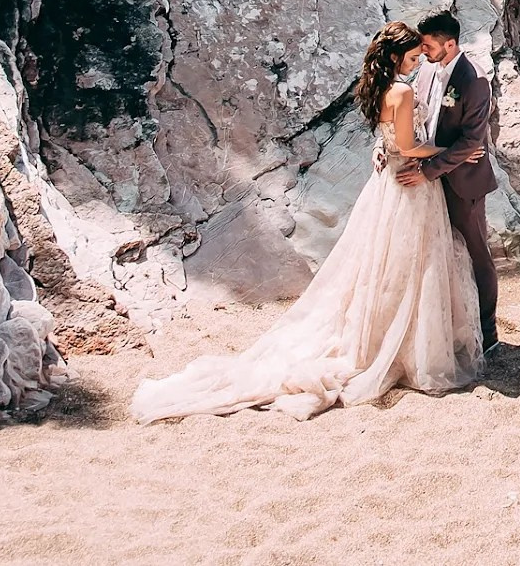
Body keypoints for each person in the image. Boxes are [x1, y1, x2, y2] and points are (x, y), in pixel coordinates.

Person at [130, 22, 486, 422]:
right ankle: (403, 343)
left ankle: (391, 334)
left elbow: (388, 135)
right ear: (394, 56)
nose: (419, 58)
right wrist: (452, 150)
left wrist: (385, 147)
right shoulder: (401, 90)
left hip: (389, 182)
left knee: (390, 262)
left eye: (422, 54)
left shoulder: (383, 86)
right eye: (413, 54)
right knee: (412, 260)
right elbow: (405, 143)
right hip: (409, 182)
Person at [396, 11, 500, 351]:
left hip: (464, 183)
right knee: (437, 253)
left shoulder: (475, 81)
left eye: (428, 45)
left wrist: (427, 169)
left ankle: (488, 333)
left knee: (476, 254)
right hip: (433, 180)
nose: (423, 51)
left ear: (450, 44)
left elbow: (472, 142)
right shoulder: (427, 69)